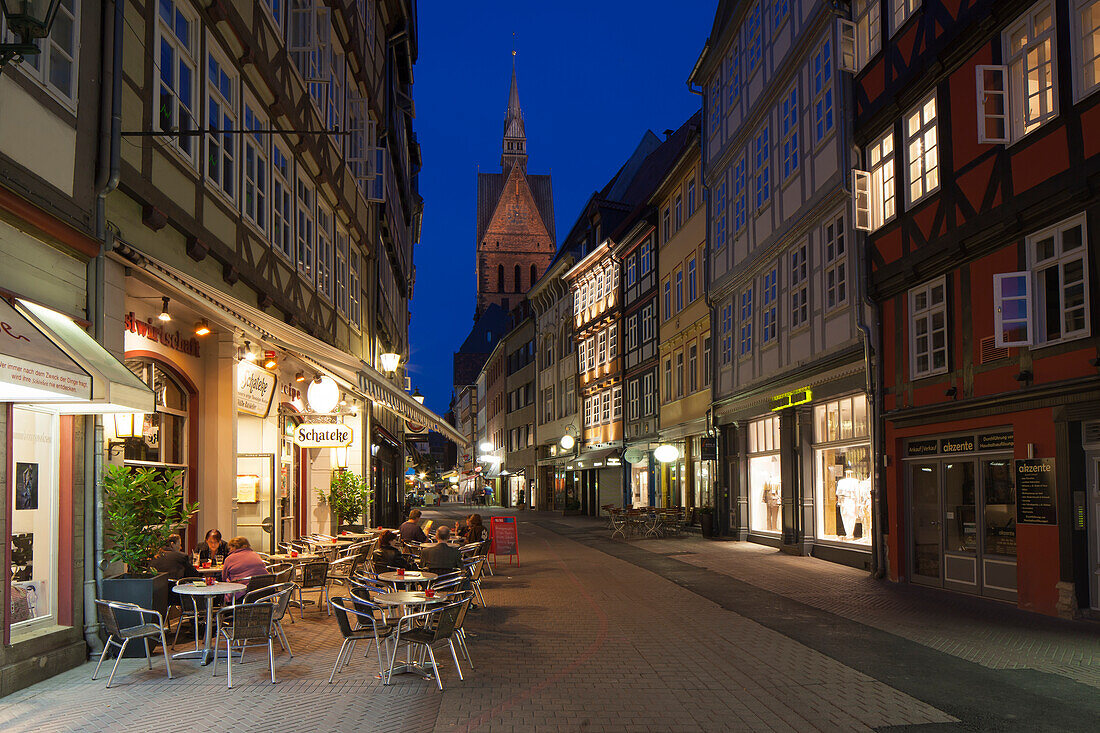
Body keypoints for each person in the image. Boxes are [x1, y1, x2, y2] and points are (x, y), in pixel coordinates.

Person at [221, 536, 269, 601]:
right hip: (264, 590)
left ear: (233, 547)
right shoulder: (256, 555)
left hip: (244, 593)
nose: (229, 550)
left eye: (230, 548)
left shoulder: (229, 559)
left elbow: (223, 578)